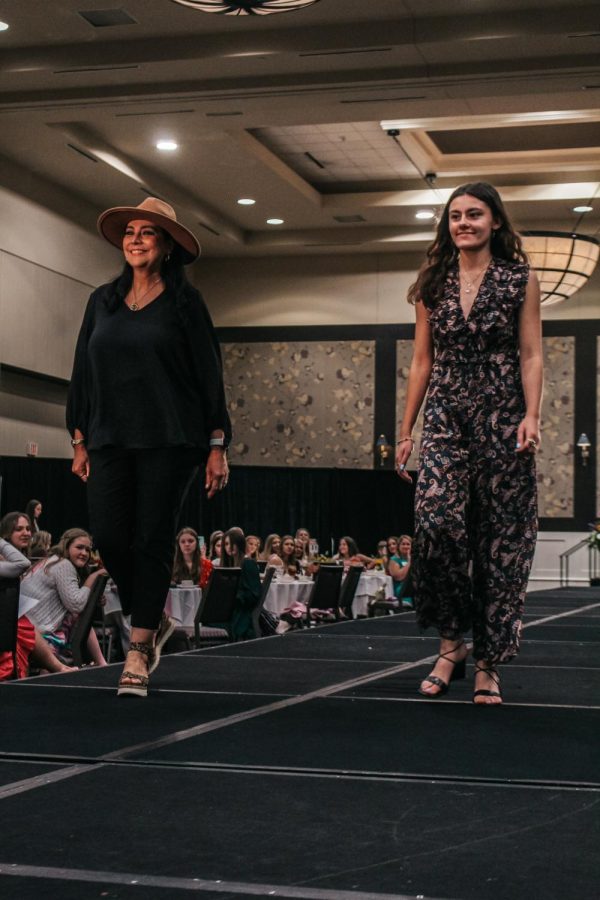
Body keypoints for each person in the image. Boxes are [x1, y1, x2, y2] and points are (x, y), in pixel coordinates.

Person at [66, 196, 232, 698]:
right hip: (108, 437)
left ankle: (138, 652)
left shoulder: (186, 304)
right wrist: (78, 437)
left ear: (166, 248)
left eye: (148, 232)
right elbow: (81, 371)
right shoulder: (103, 301)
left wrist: (217, 443)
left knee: (151, 539)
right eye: (130, 232)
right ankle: (154, 618)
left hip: (170, 439)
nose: (136, 239)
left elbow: (209, 376)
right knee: (111, 537)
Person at [396, 181, 542, 705]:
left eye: (474, 214)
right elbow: (420, 361)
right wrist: (406, 429)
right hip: (446, 419)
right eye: (455, 215)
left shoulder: (518, 279)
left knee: (499, 543)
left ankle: (487, 664)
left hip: (504, 418)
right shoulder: (432, 282)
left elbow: (530, 353)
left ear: (495, 222)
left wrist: (531, 414)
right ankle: (450, 643)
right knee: (436, 527)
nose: (464, 223)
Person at [0, 512, 75, 679]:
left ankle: (56, 667)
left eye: (28, 528)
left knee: (24, 623)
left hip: (24, 615)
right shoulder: (12, 557)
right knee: (23, 625)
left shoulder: (29, 557)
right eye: (19, 529)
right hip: (22, 619)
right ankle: (56, 667)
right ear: (6, 532)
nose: (26, 533)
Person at [22, 528, 109, 667]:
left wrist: (93, 600)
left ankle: (101, 662)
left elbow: (71, 601)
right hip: (36, 633)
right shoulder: (64, 565)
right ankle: (101, 662)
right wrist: (93, 577)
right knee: (79, 615)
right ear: (67, 546)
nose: (84, 553)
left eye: (87, 550)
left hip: (31, 627)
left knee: (80, 616)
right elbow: (76, 605)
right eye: (79, 547)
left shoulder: (53, 561)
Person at [221, 527, 261, 640]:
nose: (229, 547)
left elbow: (254, 594)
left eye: (232, 543)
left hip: (242, 612)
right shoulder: (227, 565)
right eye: (226, 544)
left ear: (239, 544)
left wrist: (235, 596)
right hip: (227, 610)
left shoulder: (248, 564)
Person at [388, 535, 413, 608]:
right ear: (399, 546)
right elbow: (399, 577)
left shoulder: (416, 557)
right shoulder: (394, 559)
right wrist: (409, 562)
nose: (405, 546)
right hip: (401, 589)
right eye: (403, 544)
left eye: (408, 544)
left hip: (413, 587)